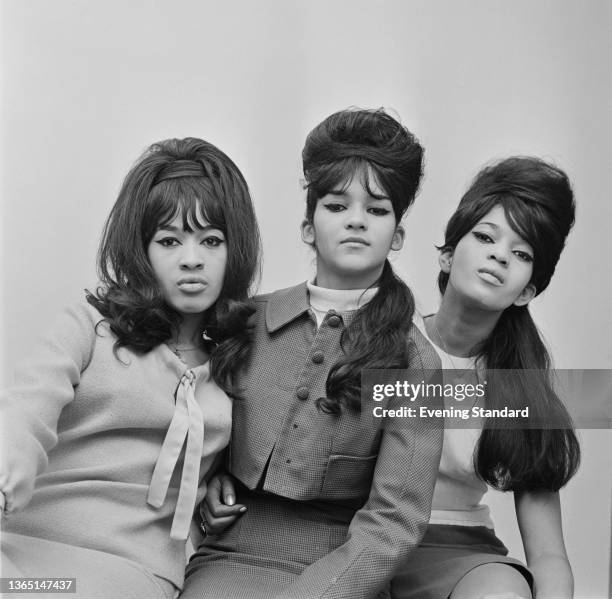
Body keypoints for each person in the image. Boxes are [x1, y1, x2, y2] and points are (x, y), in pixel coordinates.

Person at [180, 108, 443, 599]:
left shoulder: (415, 362)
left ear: (398, 236)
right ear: (308, 226)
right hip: (232, 551)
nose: (357, 222)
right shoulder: (248, 322)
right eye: (337, 206)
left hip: (344, 568)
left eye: (378, 210)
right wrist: (209, 487)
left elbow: (396, 517)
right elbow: (204, 424)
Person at [0, 137, 261, 599]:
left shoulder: (240, 363)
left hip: (125, 573)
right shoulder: (90, 327)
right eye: (169, 240)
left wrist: (217, 488)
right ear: (141, 251)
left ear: (233, 251)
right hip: (21, 551)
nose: (191, 258)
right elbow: (27, 409)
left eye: (211, 240)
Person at [390, 156, 581, 599]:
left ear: (527, 290)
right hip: (362, 536)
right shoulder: (386, 342)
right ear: (447, 253)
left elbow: (549, 556)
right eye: (485, 237)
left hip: (461, 554)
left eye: (521, 254)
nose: (499, 255)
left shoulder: (522, 388)